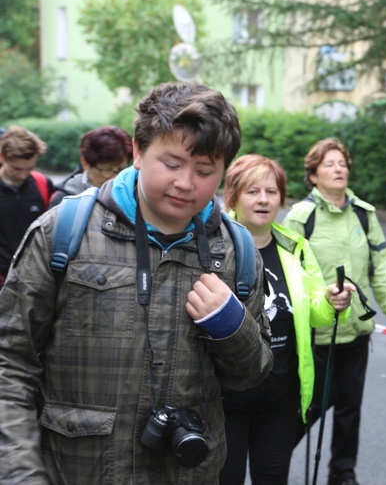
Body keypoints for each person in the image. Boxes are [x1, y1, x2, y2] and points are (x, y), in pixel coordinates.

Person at [0, 81, 274, 483]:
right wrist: (21, 476)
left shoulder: (237, 250)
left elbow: (252, 376)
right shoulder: (63, 232)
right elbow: (10, 364)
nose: (186, 183)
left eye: (204, 171)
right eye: (172, 163)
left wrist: (233, 328)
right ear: (138, 150)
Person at [219, 154, 356, 485]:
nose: (264, 200)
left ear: (282, 198)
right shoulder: (213, 245)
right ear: (233, 195)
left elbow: (316, 314)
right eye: (252, 191)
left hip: (279, 397)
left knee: (273, 477)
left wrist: (333, 301)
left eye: (272, 191)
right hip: (222, 399)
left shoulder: (296, 247)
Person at [283, 138, 386, 485]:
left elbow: (379, 269)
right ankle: (273, 463)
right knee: (310, 409)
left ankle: (343, 473)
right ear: (312, 175)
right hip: (316, 333)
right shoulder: (301, 217)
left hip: (356, 331)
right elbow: (288, 274)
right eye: (329, 164)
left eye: (342, 163)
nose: (338, 169)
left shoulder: (364, 215)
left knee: (350, 408)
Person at [0, 125, 54, 288]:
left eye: (29, 168)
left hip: (34, 276)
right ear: (3, 157)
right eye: (17, 168)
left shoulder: (42, 184)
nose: (23, 175)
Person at [50, 125, 133, 207]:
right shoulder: (63, 200)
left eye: (121, 169)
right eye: (107, 170)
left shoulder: (133, 196)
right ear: (85, 164)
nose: (114, 178)